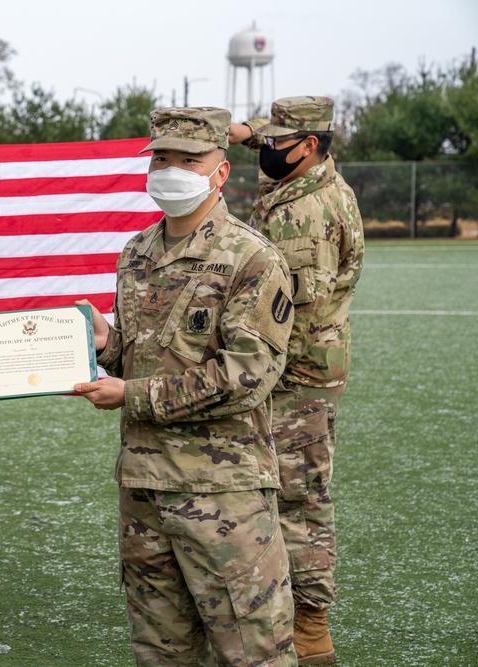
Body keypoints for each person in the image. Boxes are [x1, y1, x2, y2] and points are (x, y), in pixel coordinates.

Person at [74, 107, 298, 666]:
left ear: (219, 172)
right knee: (161, 651)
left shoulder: (252, 257)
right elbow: (140, 354)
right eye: (162, 158)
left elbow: (247, 375)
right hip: (145, 487)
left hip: (223, 493)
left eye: (188, 159)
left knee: (252, 650)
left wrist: (134, 395)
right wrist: (106, 345)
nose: (171, 169)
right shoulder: (137, 254)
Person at [229, 97, 364, 666]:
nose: (265, 147)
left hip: (295, 376)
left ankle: (310, 628)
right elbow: (267, 134)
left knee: (299, 499)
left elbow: (285, 315)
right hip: (295, 373)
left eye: (275, 141)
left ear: (309, 147)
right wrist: (244, 131)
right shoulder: (307, 179)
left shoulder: (307, 214)